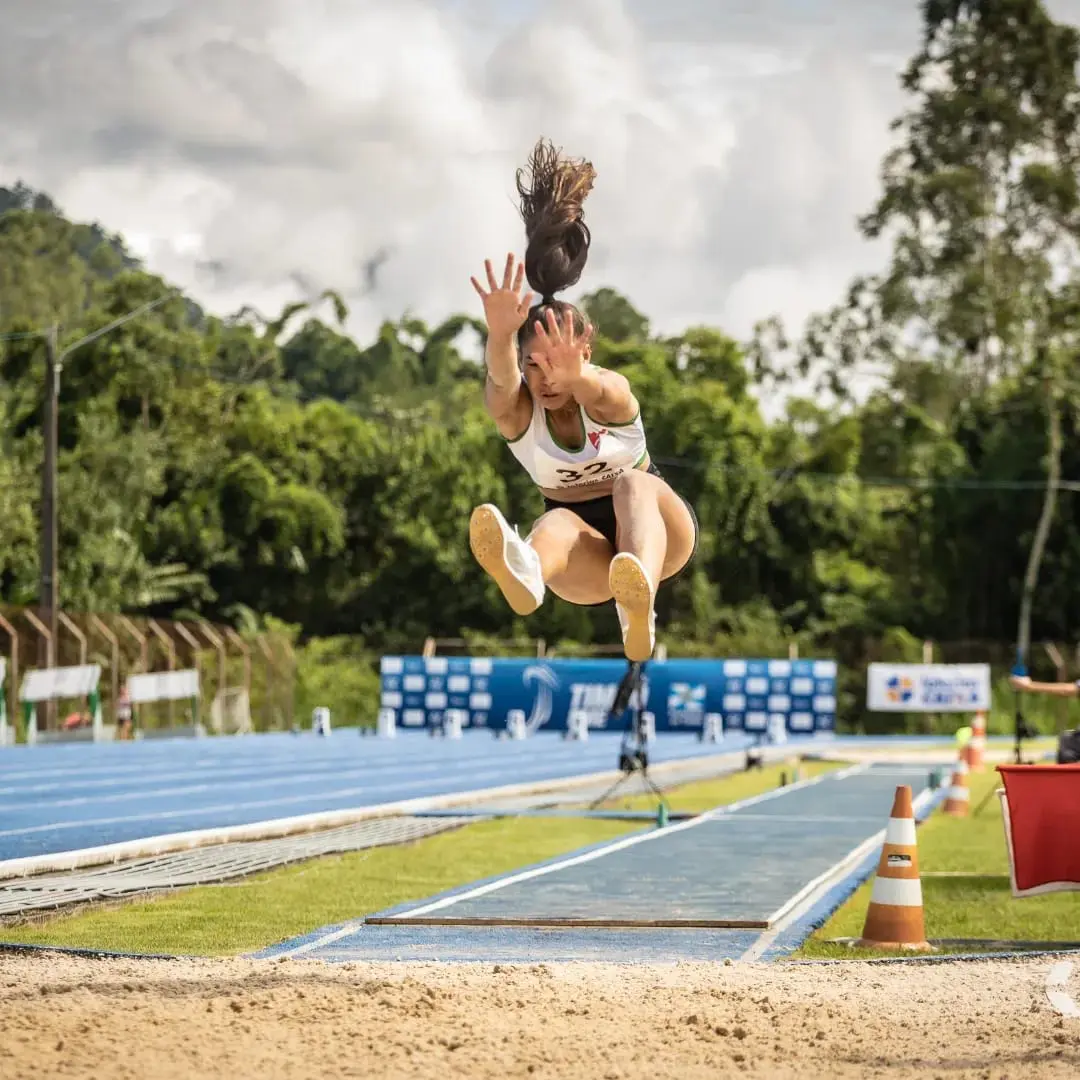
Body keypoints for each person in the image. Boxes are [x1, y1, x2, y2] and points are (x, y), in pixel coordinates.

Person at [467, 138, 698, 662]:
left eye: (559, 364)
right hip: (589, 564)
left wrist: (582, 378)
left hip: (663, 536)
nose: (547, 380)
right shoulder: (521, 412)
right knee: (554, 524)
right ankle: (525, 571)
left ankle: (638, 607)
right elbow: (501, 384)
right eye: (536, 367)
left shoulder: (605, 396)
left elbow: (611, 391)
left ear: (585, 352)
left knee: (634, 483)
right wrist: (501, 336)